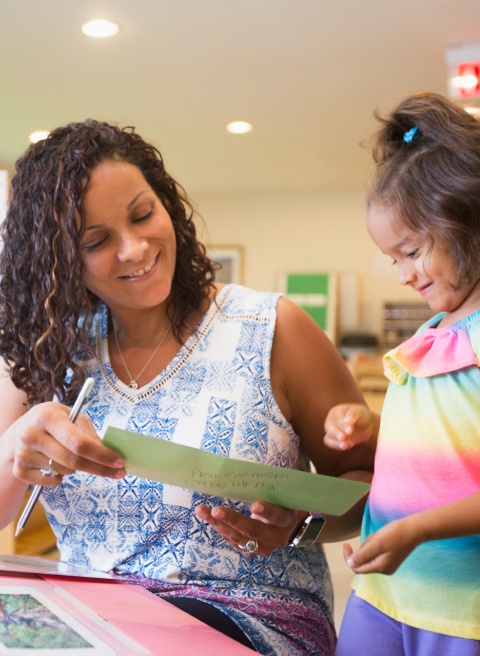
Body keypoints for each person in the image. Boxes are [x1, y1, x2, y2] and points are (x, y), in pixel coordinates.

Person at [0, 120, 376, 656]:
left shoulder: (272, 328)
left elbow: (373, 483)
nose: (135, 249)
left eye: (142, 215)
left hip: (251, 616)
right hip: (94, 620)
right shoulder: (47, 352)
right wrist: (15, 448)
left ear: (167, 204)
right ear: (58, 260)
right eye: (96, 241)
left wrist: (300, 524)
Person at [323, 93, 480, 656]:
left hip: (459, 607)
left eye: (411, 252)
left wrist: (418, 529)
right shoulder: (432, 333)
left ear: (467, 220)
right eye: (394, 259)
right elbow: (443, 434)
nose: (403, 275)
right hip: (382, 590)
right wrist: (371, 425)